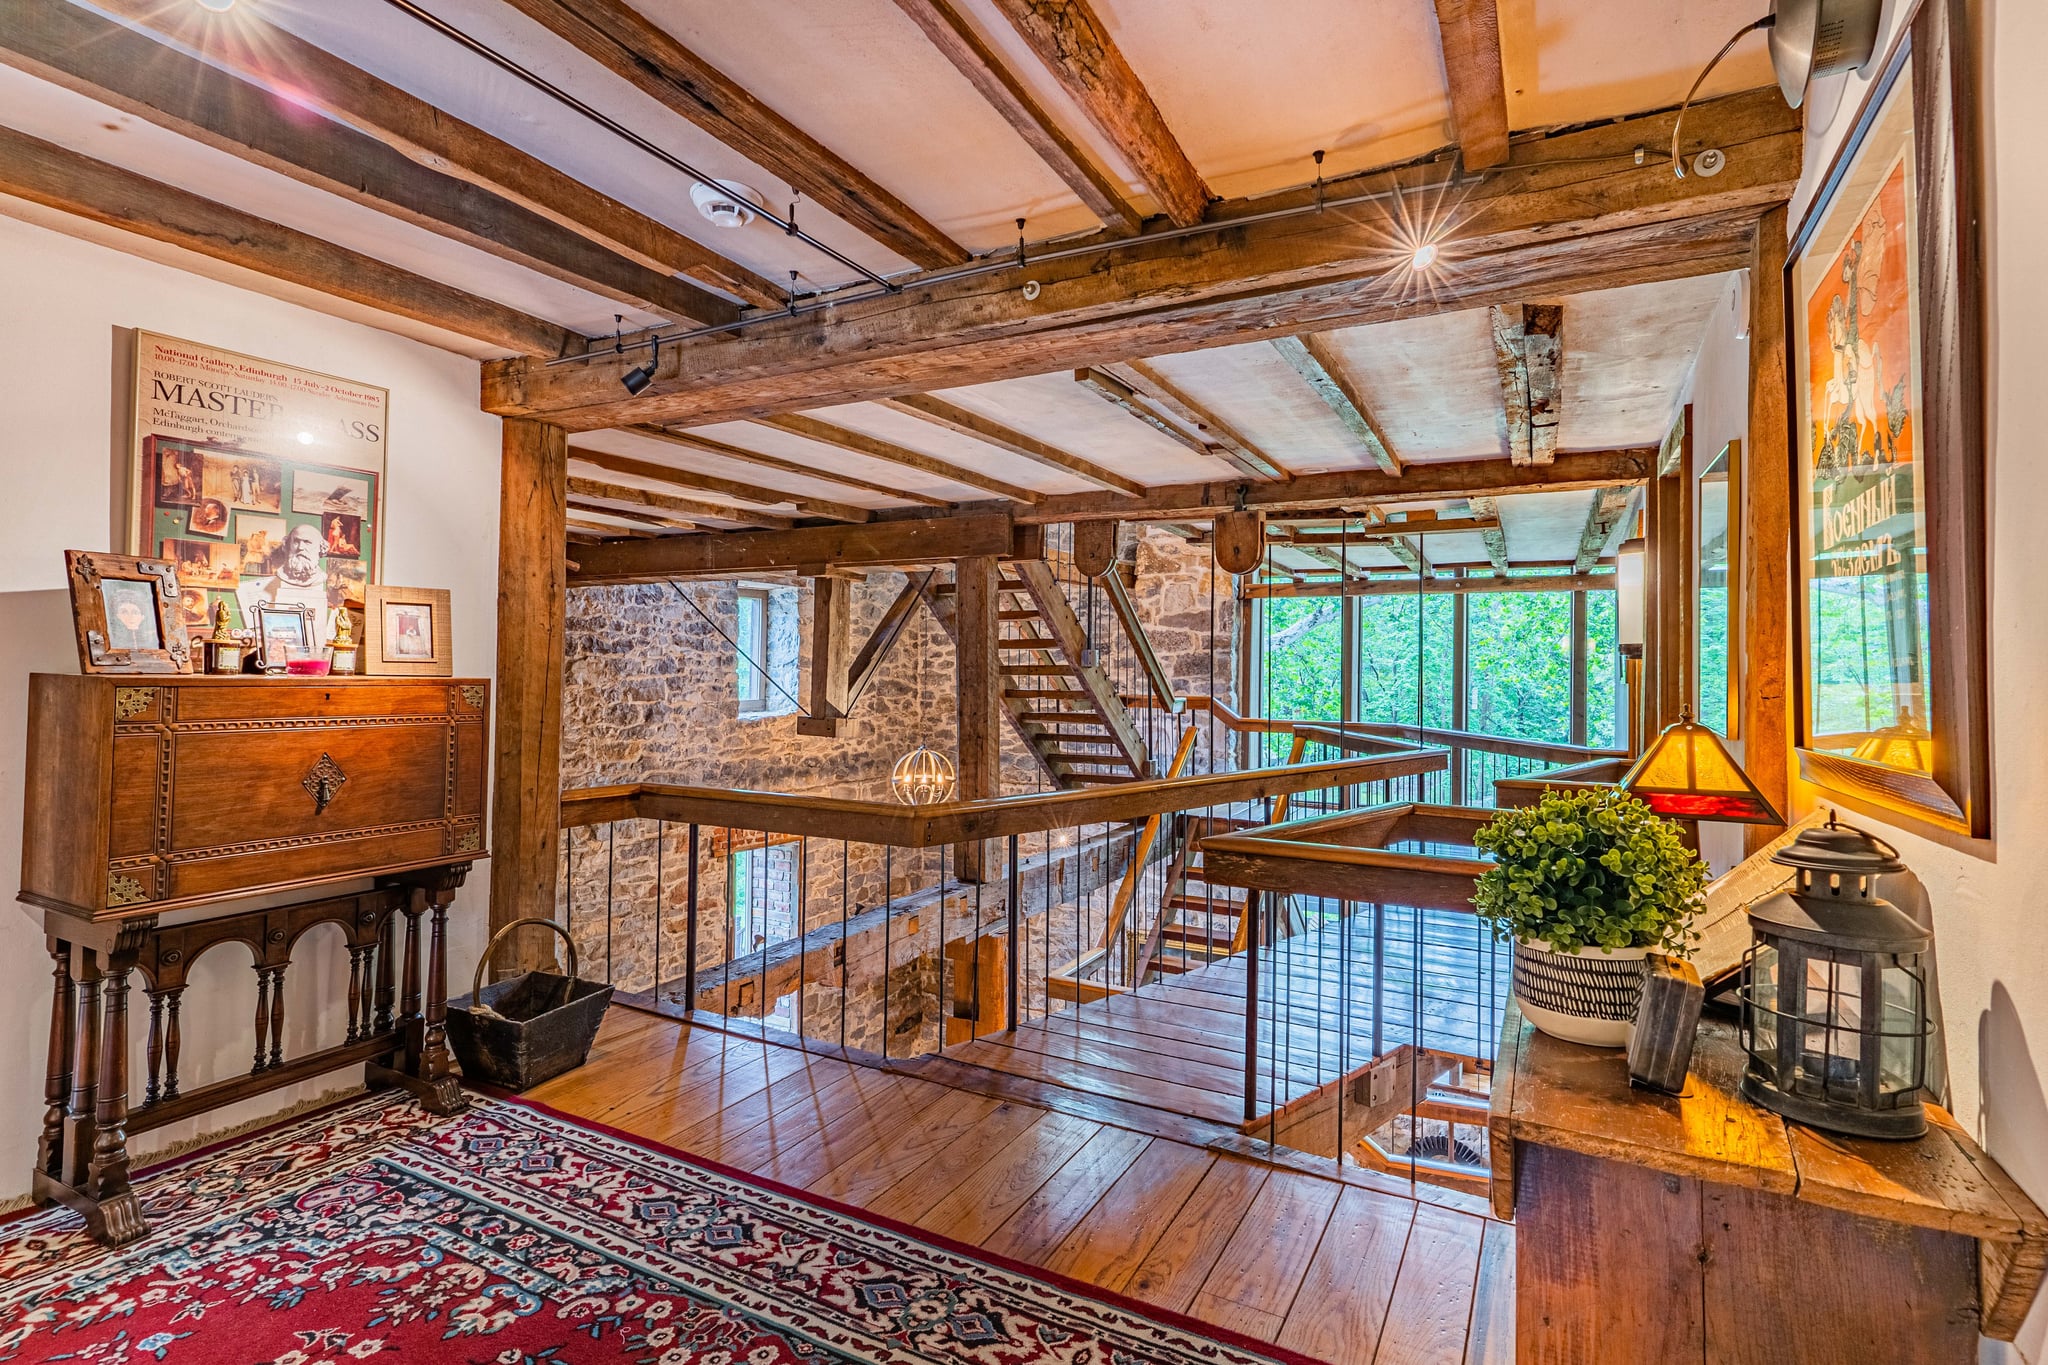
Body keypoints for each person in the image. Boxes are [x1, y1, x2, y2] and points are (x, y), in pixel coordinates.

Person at [236, 523, 329, 647]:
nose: (301, 547)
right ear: (287, 545)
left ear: (320, 548)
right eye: (296, 541)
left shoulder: (320, 579)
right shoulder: (281, 576)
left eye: (307, 542)